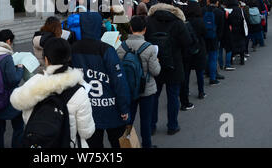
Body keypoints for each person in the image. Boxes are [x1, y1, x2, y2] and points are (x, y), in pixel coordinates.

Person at [11, 38, 95, 148]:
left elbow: (23, 112)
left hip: (38, 142)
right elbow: (86, 132)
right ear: (69, 57)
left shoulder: (34, 83)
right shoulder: (80, 91)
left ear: (46, 59)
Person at [71, 12, 130, 148]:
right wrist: (124, 108)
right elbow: (119, 81)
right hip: (111, 107)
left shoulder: (74, 48)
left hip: (87, 107)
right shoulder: (106, 49)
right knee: (118, 143)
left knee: (93, 146)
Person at [144, 0, 191, 135]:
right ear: (172, 3)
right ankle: (172, 125)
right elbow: (187, 43)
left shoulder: (149, 20)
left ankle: (151, 126)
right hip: (174, 63)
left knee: (153, 96)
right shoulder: (178, 21)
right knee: (173, 96)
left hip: (154, 63)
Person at [116, 16, 161, 148]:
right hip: (147, 89)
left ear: (130, 28)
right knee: (145, 120)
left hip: (129, 89)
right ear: (145, 29)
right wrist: (157, 62)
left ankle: (127, 143)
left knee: (128, 120)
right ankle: (147, 145)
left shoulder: (121, 47)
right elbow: (156, 71)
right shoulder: (150, 48)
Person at [181, 1, 207, 103]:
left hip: (187, 49)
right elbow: (205, 33)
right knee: (199, 72)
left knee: (186, 73)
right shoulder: (200, 21)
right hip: (199, 48)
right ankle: (201, 92)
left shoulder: (184, 21)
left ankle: (186, 91)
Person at [202, 0, 226, 85]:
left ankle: (205, 73)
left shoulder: (203, 10)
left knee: (206, 56)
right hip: (214, 37)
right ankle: (213, 77)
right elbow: (221, 28)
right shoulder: (219, 12)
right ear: (217, 2)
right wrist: (218, 38)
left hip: (204, 37)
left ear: (208, 1)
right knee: (213, 58)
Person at [225, 0, 247, 65]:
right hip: (240, 29)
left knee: (232, 45)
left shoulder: (227, 10)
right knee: (241, 44)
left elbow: (226, 20)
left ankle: (231, 60)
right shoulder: (239, 9)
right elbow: (242, 19)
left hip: (231, 29)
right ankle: (242, 60)